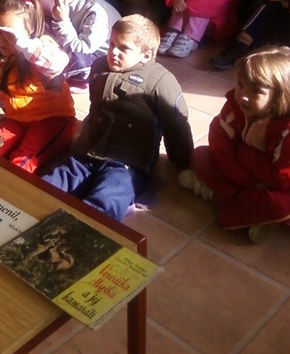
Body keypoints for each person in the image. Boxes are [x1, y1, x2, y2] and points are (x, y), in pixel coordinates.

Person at [41, 14, 193, 221]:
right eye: (112, 44)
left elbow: (177, 124)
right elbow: (95, 104)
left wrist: (183, 159)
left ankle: (82, 229)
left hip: (127, 163)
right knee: (48, 185)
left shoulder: (161, 81)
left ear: (146, 55)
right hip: (87, 153)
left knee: (108, 198)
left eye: (124, 48)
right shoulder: (98, 67)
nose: (113, 52)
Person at [179, 46, 290, 243]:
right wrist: (245, 178)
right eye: (240, 84)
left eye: (256, 91)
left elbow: (285, 179)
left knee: (280, 204)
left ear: (281, 95)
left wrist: (245, 156)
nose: (243, 95)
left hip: (274, 183)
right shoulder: (236, 104)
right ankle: (244, 207)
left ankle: (218, 196)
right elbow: (219, 141)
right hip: (248, 175)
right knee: (200, 155)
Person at [0, 0, 77, 174]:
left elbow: (58, 63)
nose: (2, 39)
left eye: (10, 34)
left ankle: (7, 189)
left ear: (29, 32)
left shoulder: (41, 46)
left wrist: (23, 44)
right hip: (16, 120)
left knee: (22, 161)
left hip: (52, 120)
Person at [50, 0, 121, 87]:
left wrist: (62, 21)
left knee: (77, 61)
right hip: (77, 46)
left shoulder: (96, 12)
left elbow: (83, 50)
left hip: (102, 56)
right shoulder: (65, 3)